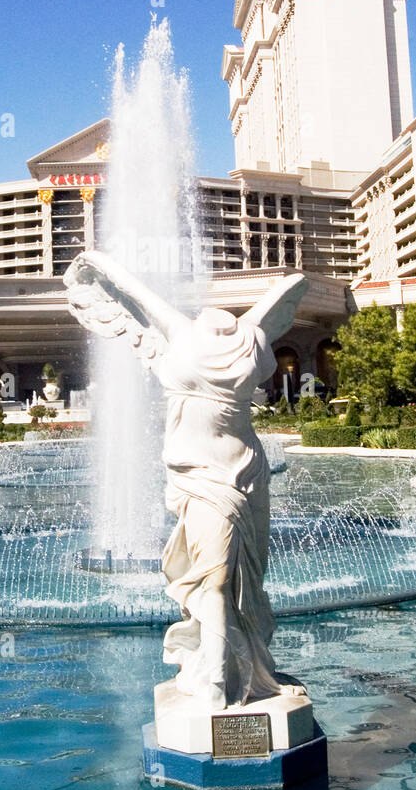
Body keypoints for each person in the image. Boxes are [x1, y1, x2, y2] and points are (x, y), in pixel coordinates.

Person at [65, 250, 309, 708]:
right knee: (215, 578)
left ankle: (252, 673)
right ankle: (216, 676)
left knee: (248, 580)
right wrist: (93, 259)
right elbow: (128, 286)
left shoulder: (253, 336)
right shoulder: (179, 330)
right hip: (198, 474)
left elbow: (295, 286)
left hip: (248, 471)